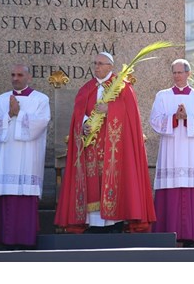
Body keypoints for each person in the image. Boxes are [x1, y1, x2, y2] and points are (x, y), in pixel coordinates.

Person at [54, 52, 156, 233]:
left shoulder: (123, 88)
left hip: (116, 150)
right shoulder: (86, 89)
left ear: (111, 66)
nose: (96, 67)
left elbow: (131, 118)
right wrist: (84, 124)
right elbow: (78, 116)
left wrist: (110, 109)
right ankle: (93, 224)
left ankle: (115, 223)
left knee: (114, 181)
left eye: (101, 63)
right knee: (93, 182)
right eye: (95, 63)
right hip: (91, 148)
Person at [149, 58, 194, 247]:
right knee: (170, 192)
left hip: (191, 152)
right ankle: (166, 235)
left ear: (188, 74)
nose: (177, 76)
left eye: (180, 72)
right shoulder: (162, 96)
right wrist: (173, 118)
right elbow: (154, 120)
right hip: (170, 151)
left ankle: (191, 237)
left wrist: (187, 118)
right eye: (174, 72)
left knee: (191, 190)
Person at [0, 64, 50, 248]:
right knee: (6, 192)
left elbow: (41, 123)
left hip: (28, 156)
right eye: (13, 74)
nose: (15, 78)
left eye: (20, 75)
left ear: (29, 77)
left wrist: (19, 114)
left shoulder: (40, 99)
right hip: (6, 156)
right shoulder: (1, 99)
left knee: (24, 194)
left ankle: (25, 239)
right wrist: (8, 114)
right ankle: (2, 239)